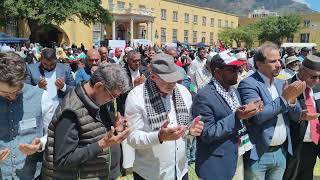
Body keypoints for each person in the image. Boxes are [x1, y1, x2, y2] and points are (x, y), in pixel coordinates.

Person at [41, 63, 132, 179]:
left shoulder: (96, 101)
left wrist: (115, 128)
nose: (112, 100)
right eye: (112, 96)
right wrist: (102, 144)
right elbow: (63, 159)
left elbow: (92, 134)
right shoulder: (71, 111)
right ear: (99, 86)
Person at [125, 53, 204, 180]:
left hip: (180, 170)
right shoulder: (136, 96)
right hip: (150, 174)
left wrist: (191, 131)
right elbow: (132, 138)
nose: (172, 84)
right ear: (153, 76)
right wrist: (158, 136)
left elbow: (185, 127)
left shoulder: (183, 92)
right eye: (167, 80)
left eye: (174, 79)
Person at [237, 43, 305, 180]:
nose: (279, 64)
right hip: (259, 154)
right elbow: (259, 116)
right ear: (259, 63)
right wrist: (285, 98)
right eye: (273, 61)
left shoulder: (281, 84)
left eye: (279, 60)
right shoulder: (248, 84)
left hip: (280, 152)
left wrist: (291, 100)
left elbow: (296, 116)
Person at [192, 51, 261, 180]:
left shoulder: (234, 91)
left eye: (238, 68)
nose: (237, 71)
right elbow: (207, 133)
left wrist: (251, 111)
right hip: (216, 165)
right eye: (232, 69)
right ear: (218, 71)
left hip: (236, 156)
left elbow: (240, 122)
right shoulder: (204, 97)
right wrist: (237, 117)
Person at [0, 52, 55, 179]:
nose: (12, 97)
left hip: (32, 175)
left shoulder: (42, 97)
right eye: (5, 93)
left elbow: (53, 134)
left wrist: (40, 144)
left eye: (17, 91)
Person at [283, 55, 320, 180]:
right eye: (314, 76)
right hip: (293, 145)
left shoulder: (318, 88)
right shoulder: (288, 86)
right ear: (301, 70)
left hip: (313, 145)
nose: (317, 81)